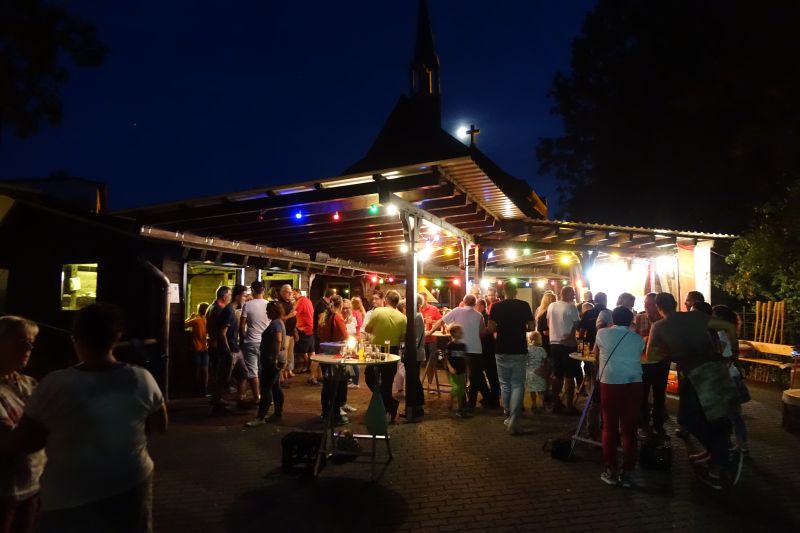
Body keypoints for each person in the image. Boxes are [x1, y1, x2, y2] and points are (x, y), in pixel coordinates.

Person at [1, 303, 167, 532]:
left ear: (75, 338)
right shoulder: (141, 378)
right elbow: (159, 426)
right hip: (130, 481)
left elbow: (29, 441)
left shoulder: (54, 384)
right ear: (117, 336)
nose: (29, 347)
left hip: (70, 491)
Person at [646, 292, 739, 488]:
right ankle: (716, 452)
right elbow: (729, 326)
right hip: (716, 368)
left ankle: (721, 456)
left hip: (695, 374)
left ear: (657, 307)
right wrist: (734, 352)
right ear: (676, 303)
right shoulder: (697, 316)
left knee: (687, 419)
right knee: (711, 417)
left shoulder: (659, 326)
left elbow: (652, 355)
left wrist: (670, 351)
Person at [0, 316, 44, 533]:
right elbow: (14, 441)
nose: (29, 347)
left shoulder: (27, 383)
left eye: (31, 342)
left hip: (31, 486)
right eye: (21, 341)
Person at [593, 306, 645, 488]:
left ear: (613, 319)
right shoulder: (638, 339)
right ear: (631, 320)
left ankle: (610, 469)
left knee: (609, 427)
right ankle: (628, 472)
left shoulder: (602, 334)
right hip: (634, 383)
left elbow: (596, 355)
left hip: (611, 382)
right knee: (629, 429)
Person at [487, 282, 534, 435]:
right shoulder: (524, 305)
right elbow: (532, 327)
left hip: (501, 348)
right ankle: (514, 420)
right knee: (518, 384)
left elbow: (491, 328)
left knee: (505, 384)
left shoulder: (496, 307)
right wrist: (520, 327)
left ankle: (508, 414)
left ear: (503, 291)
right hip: (519, 348)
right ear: (516, 291)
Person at [427, 294, 487, 411]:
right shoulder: (479, 315)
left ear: (464, 302)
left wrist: (430, 331)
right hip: (476, 349)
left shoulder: (457, 310)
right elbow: (482, 332)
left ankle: (462, 403)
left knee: (461, 376)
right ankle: (472, 404)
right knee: (474, 378)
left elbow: (441, 321)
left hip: (461, 349)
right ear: (475, 304)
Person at [364, 290, 405, 423]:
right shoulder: (403, 318)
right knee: (387, 382)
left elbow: (368, 329)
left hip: (376, 349)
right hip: (392, 350)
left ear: (386, 300)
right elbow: (402, 337)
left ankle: (387, 404)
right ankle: (389, 404)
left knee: (369, 376)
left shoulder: (378, 312)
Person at [712, 305, 748, 454]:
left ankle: (741, 445)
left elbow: (725, 356)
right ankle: (741, 444)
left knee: (731, 415)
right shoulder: (730, 332)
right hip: (733, 375)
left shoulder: (721, 333)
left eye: (713, 315)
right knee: (734, 414)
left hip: (726, 378)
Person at [207, 286, 247, 412]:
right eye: (244, 296)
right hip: (228, 348)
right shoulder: (227, 311)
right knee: (223, 377)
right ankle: (218, 401)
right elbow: (221, 333)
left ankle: (240, 399)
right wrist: (227, 351)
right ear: (237, 296)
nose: (245, 299)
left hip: (233, 347)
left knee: (242, 373)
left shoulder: (222, 309)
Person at [246, 301, 286, 427]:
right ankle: (278, 413)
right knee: (275, 387)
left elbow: (278, 339)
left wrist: (274, 357)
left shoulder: (275, 323)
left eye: (268, 310)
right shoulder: (279, 322)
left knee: (266, 387)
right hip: (276, 359)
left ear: (274, 311)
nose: (267, 313)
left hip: (271, 360)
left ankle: (260, 417)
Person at [635, 292, 668, 437]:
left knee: (659, 395)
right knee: (641, 395)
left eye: (650, 304)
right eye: (645, 304)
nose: (647, 307)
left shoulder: (664, 321)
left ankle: (658, 424)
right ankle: (643, 424)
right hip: (643, 363)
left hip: (661, 363)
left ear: (657, 306)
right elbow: (633, 339)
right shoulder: (639, 318)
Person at [317, 295, 351, 424]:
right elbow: (344, 336)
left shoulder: (324, 317)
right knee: (337, 384)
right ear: (341, 304)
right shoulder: (337, 317)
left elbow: (320, 334)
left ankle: (325, 412)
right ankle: (335, 413)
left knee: (327, 384)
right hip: (336, 355)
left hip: (324, 353)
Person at [548, 286, 581, 415]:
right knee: (569, 375)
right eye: (572, 294)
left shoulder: (551, 306)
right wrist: (571, 336)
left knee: (557, 374)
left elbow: (548, 321)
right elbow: (577, 323)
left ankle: (556, 403)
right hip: (568, 344)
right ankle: (569, 405)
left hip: (554, 342)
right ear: (566, 294)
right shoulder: (570, 307)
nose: (573, 296)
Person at [240, 281, 269, 405]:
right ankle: (267, 396)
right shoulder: (269, 305)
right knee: (266, 369)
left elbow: (242, 325)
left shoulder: (247, 305)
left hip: (250, 341)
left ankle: (257, 397)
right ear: (263, 290)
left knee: (253, 370)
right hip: (266, 342)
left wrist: (242, 338)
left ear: (252, 290)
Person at [476, 298, 500, 407]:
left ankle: (491, 398)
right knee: (491, 375)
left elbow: (486, 333)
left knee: (485, 375)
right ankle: (491, 398)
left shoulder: (484, 318)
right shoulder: (484, 317)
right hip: (489, 350)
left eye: (476, 305)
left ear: (481, 306)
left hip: (486, 350)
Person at [310, 289, 335, 385]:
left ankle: (320, 376)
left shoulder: (324, 303)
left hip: (319, 332)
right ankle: (312, 377)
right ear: (331, 296)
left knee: (320, 355)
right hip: (318, 332)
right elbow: (321, 319)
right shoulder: (321, 304)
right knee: (318, 355)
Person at [184, 302, 209, 396]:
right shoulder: (208, 320)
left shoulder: (196, 320)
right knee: (205, 370)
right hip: (206, 348)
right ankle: (205, 390)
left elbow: (183, 324)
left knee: (196, 370)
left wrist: (190, 317)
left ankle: (195, 390)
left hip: (196, 348)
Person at [444, 325, 469, 417]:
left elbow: (465, 358)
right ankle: (451, 401)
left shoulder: (463, 346)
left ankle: (459, 406)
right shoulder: (450, 345)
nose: (461, 333)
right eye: (459, 332)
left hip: (461, 369)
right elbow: (446, 357)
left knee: (461, 388)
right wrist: (449, 367)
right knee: (456, 387)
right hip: (453, 370)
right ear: (454, 334)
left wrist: (467, 369)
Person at [293, 288, 316, 383]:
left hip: (304, 328)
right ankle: (310, 367)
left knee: (304, 351)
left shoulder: (300, 302)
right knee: (311, 349)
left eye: (294, 294)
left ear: (298, 293)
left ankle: (305, 367)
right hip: (310, 327)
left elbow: (294, 312)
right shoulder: (308, 300)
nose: (293, 296)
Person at [419, 293, 442, 389]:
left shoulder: (433, 309)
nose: (420, 303)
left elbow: (441, 322)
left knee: (431, 362)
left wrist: (431, 322)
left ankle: (430, 384)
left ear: (426, 299)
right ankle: (418, 384)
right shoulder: (416, 309)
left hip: (431, 338)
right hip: (420, 338)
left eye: (422, 300)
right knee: (419, 361)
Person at [525, 331, 548, 414]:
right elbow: (545, 360)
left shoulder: (528, 350)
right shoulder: (541, 350)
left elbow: (525, 360)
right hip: (540, 372)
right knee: (541, 390)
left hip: (530, 373)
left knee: (532, 390)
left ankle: (534, 404)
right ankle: (541, 404)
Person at [341, 299, 361, 389]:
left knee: (353, 362)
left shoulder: (353, 318)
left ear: (350, 308)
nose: (345, 310)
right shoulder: (340, 317)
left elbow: (356, 331)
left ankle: (355, 382)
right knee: (345, 363)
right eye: (343, 308)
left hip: (351, 342)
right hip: (343, 343)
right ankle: (348, 380)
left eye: (347, 308)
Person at [535, 291, 556, 355]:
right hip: (547, 342)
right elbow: (545, 331)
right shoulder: (547, 313)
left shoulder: (541, 312)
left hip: (543, 341)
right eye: (554, 300)